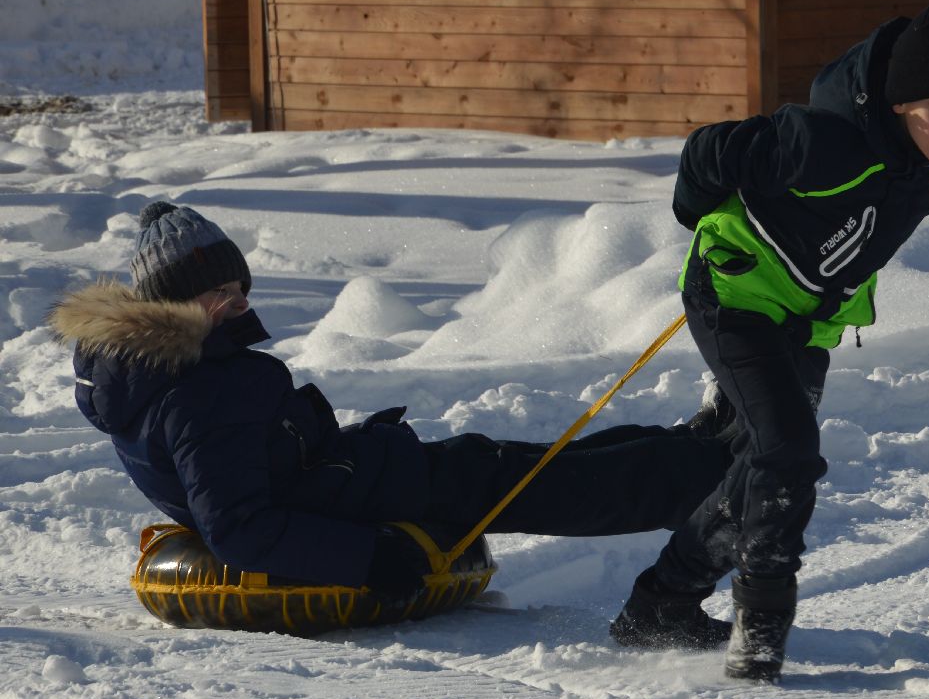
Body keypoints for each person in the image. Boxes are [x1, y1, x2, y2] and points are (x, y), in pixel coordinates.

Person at [52, 201, 732, 628]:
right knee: (533, 483)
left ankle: (692, 450)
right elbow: (236, 525)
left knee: (515, 464)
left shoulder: (160, 375)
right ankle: (700, 475)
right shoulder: (200, 392)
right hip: (350, 506)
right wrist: (368, 560)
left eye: (237, 288)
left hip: (344, 479)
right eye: (214, 293)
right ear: (168, 307)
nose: (233, 303)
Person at [609, 0, 929, 681]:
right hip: (732, 297)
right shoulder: (821, 144)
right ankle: (761, 630)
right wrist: (702, 222)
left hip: (806, 318)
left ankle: (660, 606)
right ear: (902, 101)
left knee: (757, 469)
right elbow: (707, 153)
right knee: (787, 452)